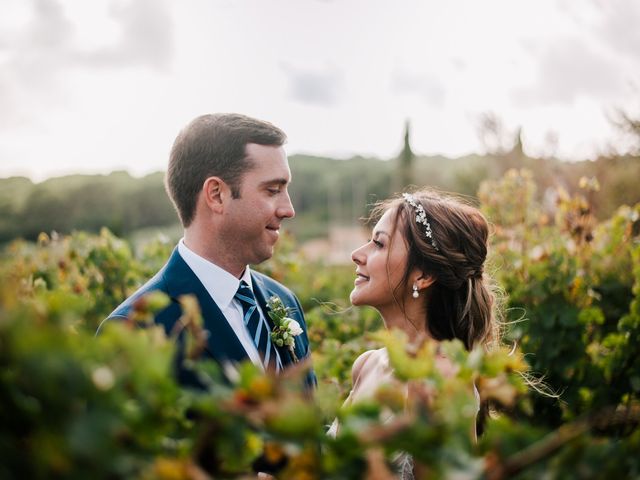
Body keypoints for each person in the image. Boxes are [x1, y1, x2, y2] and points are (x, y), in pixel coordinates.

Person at [98, 113, 315, 389]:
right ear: (216, 194)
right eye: (272, 190)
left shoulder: (284, 301)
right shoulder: (133, 330)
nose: (288, 209)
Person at [329, 189, 499, 477]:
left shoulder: (440, 381)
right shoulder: (366, 365)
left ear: (422, 275)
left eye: (379, 244)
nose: (357, 254)